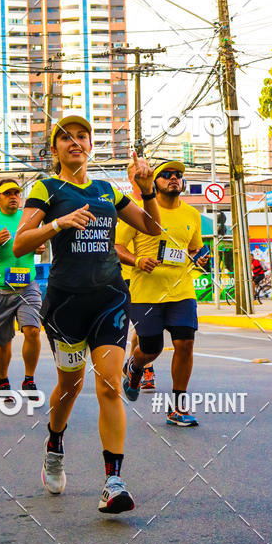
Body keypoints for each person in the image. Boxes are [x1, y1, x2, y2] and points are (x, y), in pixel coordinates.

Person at [13, 116, 161, 514]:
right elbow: (19, 244)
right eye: (66, 138)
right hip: (65, 306)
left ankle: (113, 481)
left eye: (82, 136)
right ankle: (54, 442)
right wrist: (58, 223)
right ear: (54, 149)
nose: (75, 142)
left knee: (110, 385)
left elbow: (152, 227)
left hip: (110, 299)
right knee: (70, 386)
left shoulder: (107, 191)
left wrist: (146, 192)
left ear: (90, 145)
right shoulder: (46, 189)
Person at [116, 160, 207, 426]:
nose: (173, 178)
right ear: (154, 183)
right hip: (146, 292)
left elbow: (194, 249)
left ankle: (177, 406)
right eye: (166, 175)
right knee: (151, 348)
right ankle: (134, 366)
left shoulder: (192, 214)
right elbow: (117, 246)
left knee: (185, 344)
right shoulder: (139, 212)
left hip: (182, 290)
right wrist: (137, 261)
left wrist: (199, 258)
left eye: (178, 175)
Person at [0, 179, 44, 396]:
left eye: (16, 193)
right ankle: (3, 379)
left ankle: (29, 379)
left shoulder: (29, 219)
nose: (13, 196)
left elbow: (35, 243)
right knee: (3, 341)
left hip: (27, 285)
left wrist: (37, 246)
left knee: (32, 330)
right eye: (7, 193)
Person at [116, 160, 155, 391]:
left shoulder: (156, 206)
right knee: (142, 328)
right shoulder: (125, 206)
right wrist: (137, 260)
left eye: (147, 170)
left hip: (153, 274)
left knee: (145, 328)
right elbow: (118, 244)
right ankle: (142, 369)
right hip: (128, 275)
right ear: (132, 178)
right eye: (139, 172)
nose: (144, 174)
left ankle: (134, 367)